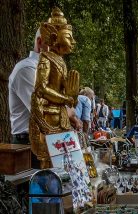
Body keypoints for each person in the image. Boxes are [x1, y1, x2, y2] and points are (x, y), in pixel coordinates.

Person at [29, 7, 80, 169]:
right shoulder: (45, 59)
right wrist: (66, 99)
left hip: (61, 117)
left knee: (65, 163)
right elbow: (41, 89)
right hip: (49, 117)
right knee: (50, 162)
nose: (72, 42)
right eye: (68, 37)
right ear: (53, 37)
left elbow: (67, 95)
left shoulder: (60, 61)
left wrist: (72, 95)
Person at [8, 28, 48, 168]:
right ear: (40, 42)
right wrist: (70, 113)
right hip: (28, 144)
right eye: (56, 45)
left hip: (46, 141)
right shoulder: (26, 69)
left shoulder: (47, 70)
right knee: (32, 189)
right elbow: (43, 111)